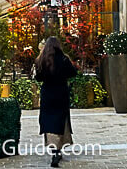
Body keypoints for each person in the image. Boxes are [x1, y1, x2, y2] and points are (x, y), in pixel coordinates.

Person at [34, 36, 78, 166]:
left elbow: (38, 78)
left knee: (49, 121)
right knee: (60, 121)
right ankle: (58, 150)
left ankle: (54, 149)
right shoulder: (64, 59)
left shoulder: (41, 60)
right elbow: (73, 73)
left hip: (48, 94)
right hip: (61, 94)